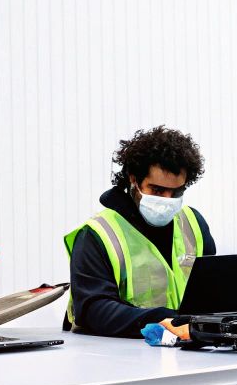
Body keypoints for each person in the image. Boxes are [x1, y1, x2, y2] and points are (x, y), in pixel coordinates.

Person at [64, 126, 216, 337]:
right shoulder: (97, 234)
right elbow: (93, 310)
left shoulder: (193, 223)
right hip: (122, 359)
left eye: (176, 192)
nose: (167, 200)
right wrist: (162, 320)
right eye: (156, 190)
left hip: (186, 348)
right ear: (133, 180)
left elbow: (214, 291)